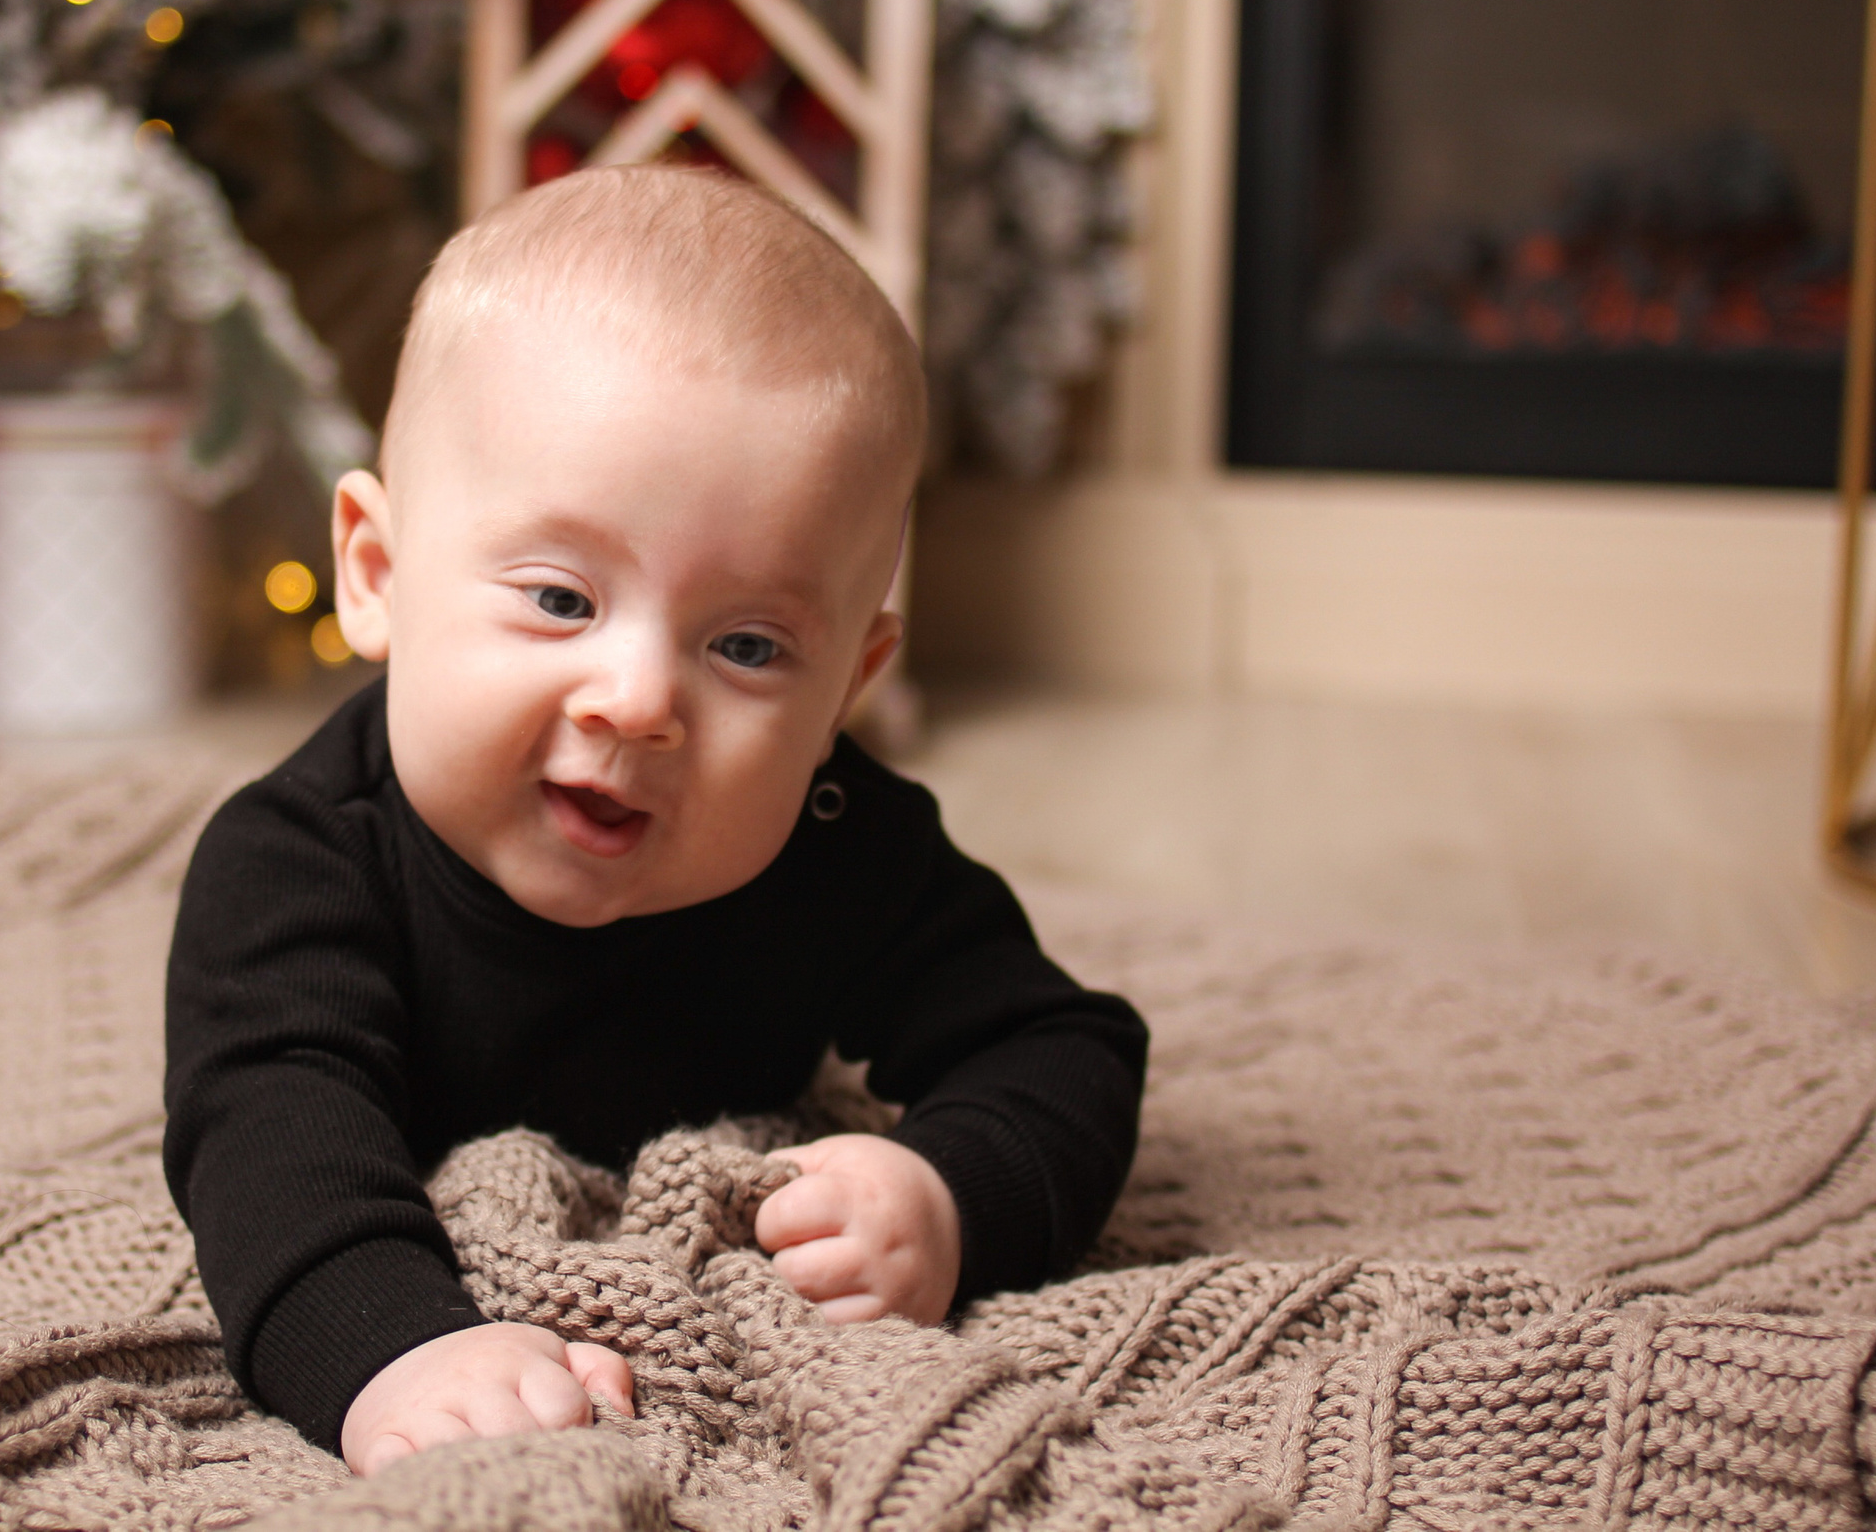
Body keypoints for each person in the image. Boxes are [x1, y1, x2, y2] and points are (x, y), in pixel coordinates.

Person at [162, 164, 1148, 1476]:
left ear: (851, 683)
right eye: (561, 601)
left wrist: (953, 1194)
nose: (636, 702)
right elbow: (265, 1129)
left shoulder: (842, 842)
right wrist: (396, 1350)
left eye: (746, 646)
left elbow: (1065, 1049)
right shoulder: (295, 863)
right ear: (378, 575)